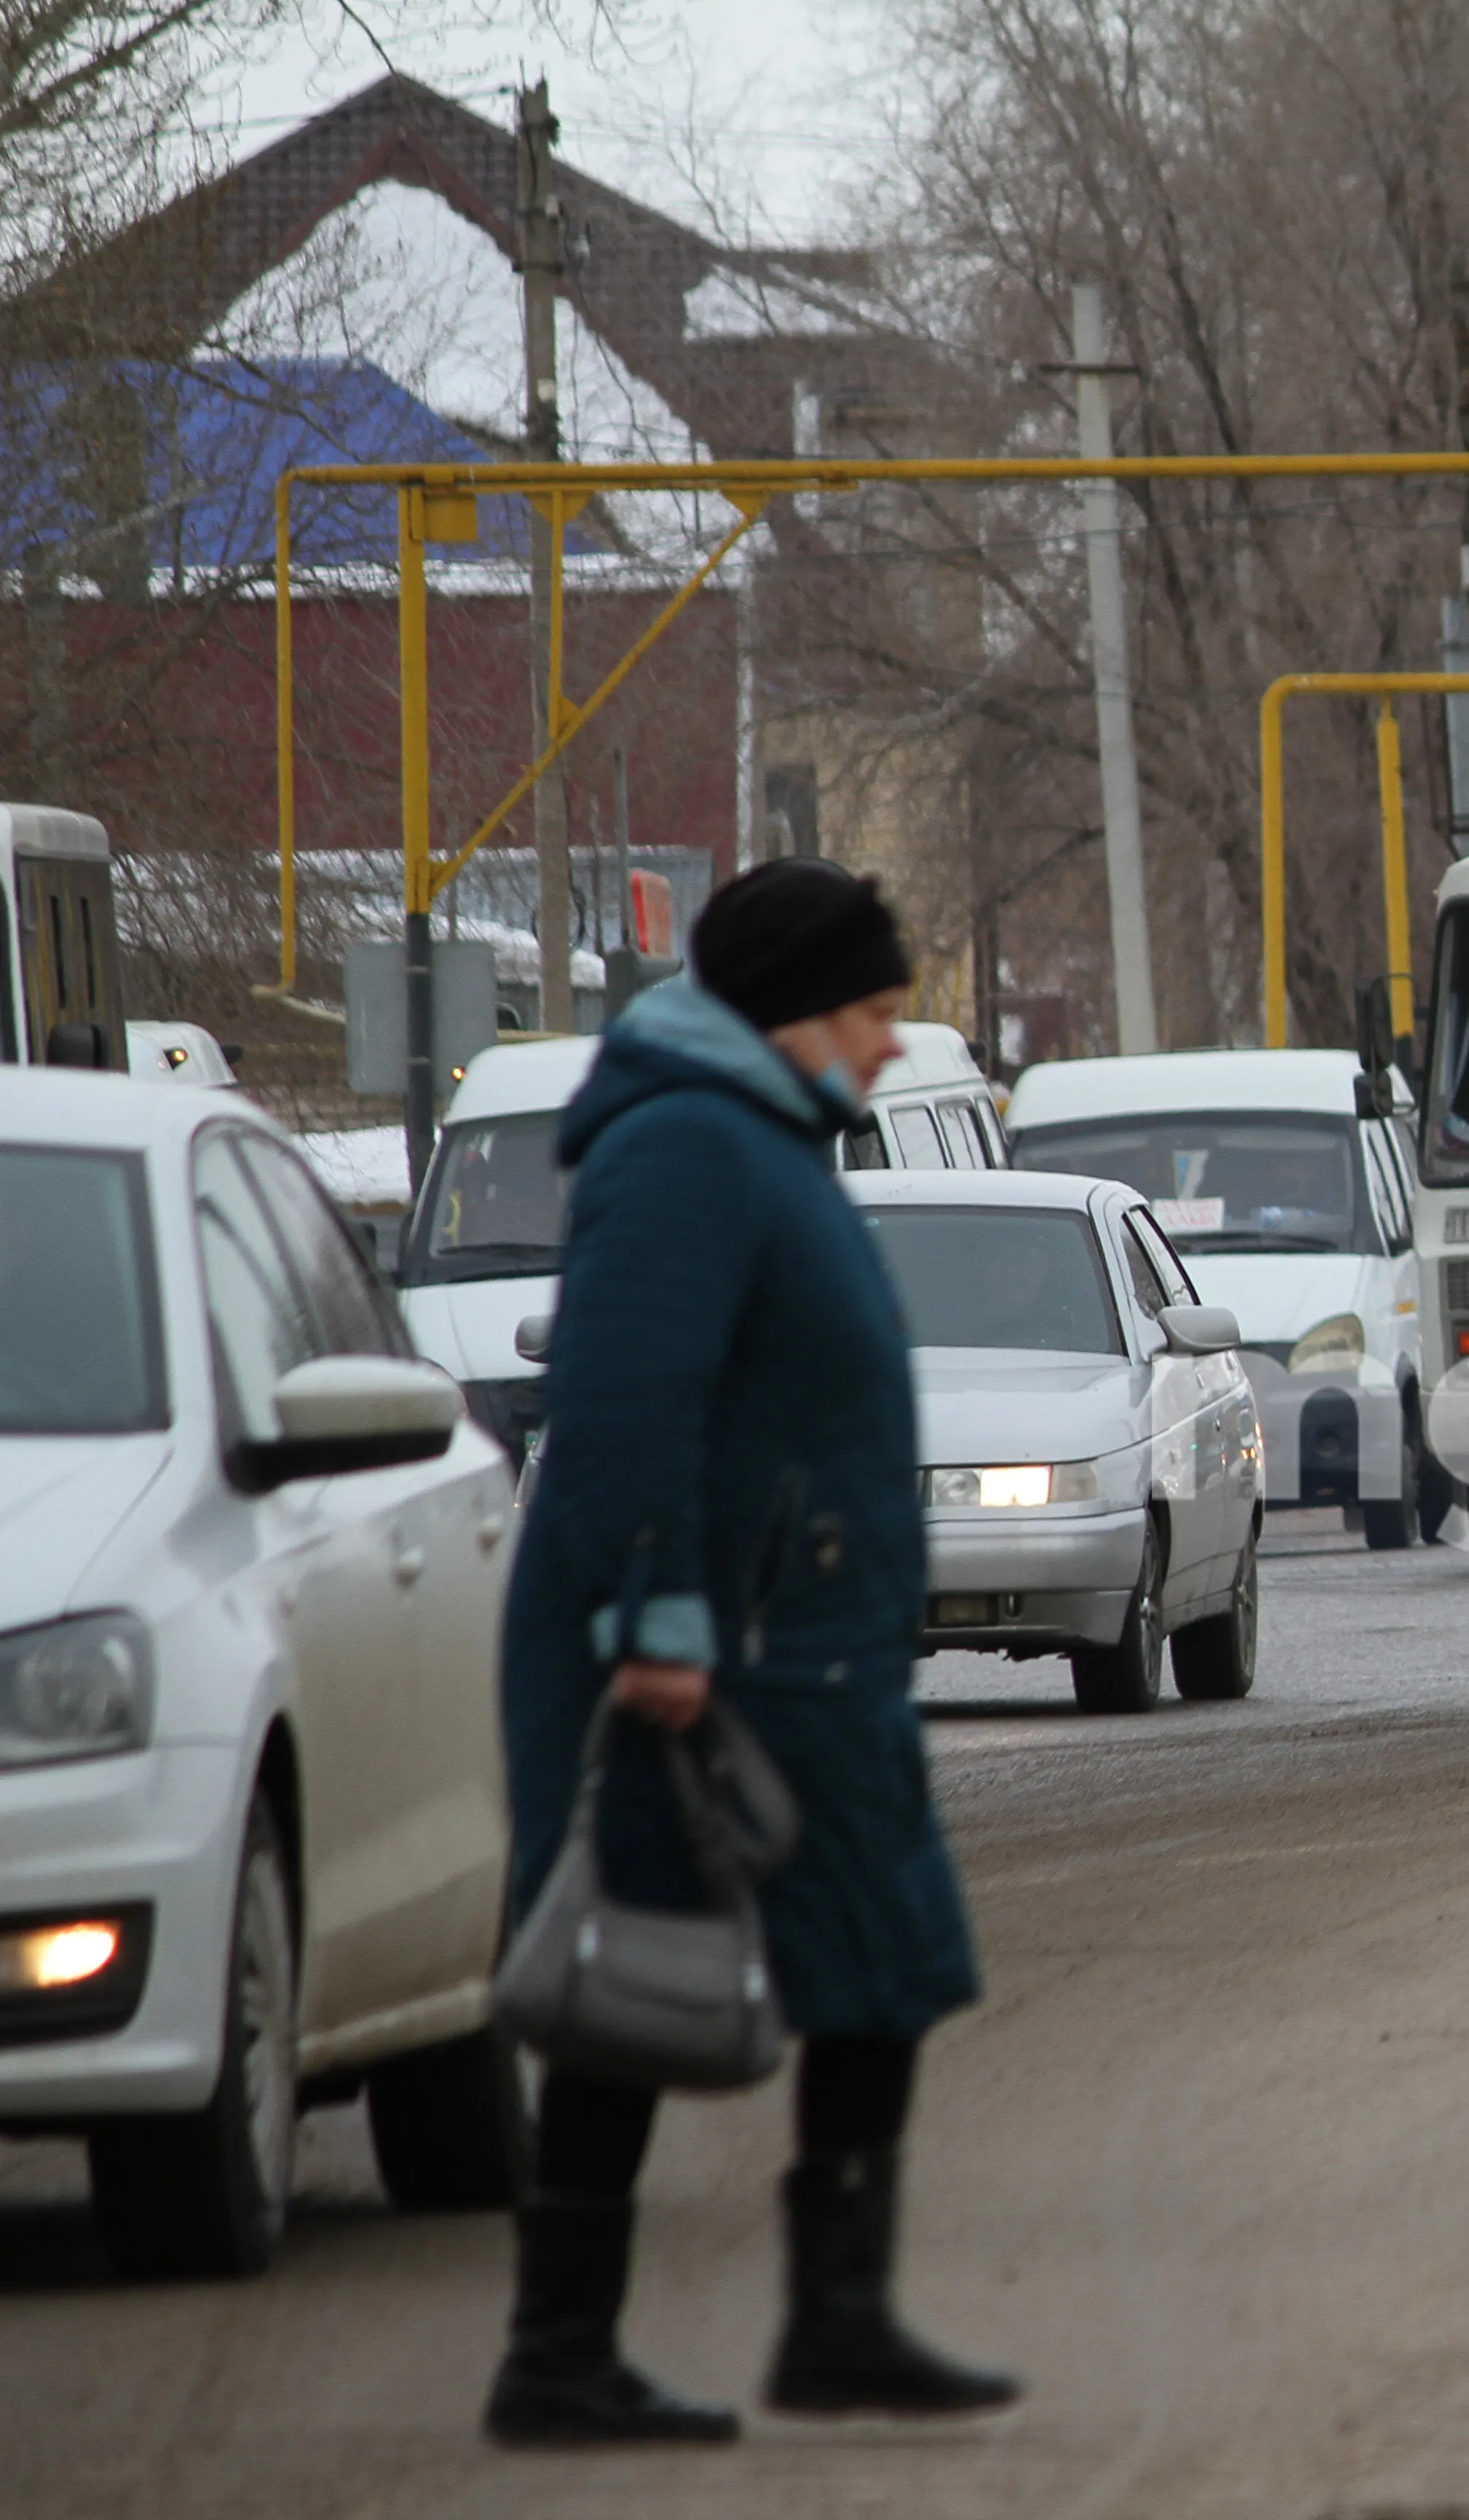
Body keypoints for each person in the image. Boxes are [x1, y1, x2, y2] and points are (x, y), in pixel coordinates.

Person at [487, 860, 1015, 2446]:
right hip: (711, 1659)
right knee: (626, 1984)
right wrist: (654, 1621)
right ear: (790, 1012)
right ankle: (559, 2352)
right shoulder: (685, 1154)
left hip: (807, 1652)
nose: (892, 1045)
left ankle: (837, 2324)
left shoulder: (760, 1139)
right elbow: (626, 1405)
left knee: (882, 1970)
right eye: (870, 1011)